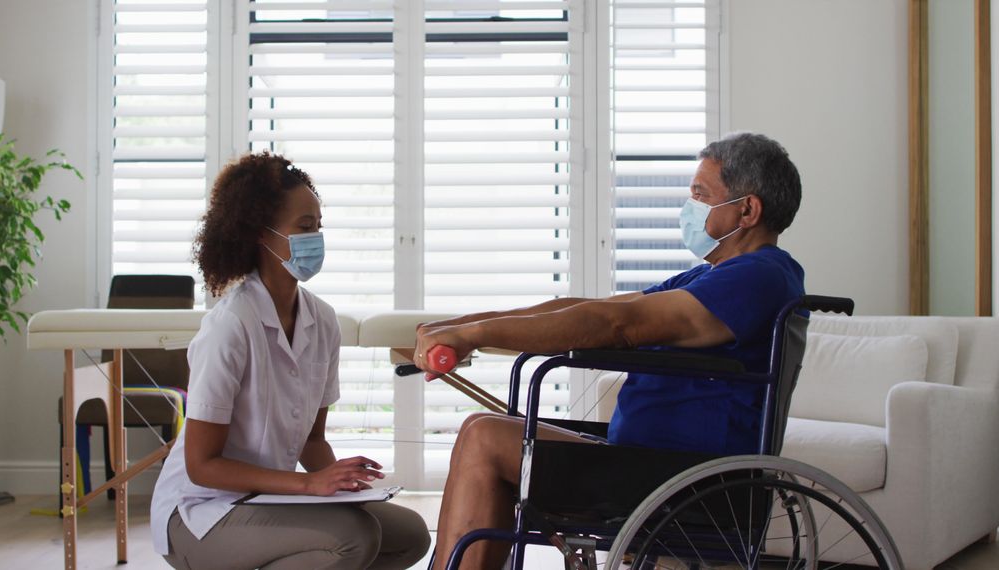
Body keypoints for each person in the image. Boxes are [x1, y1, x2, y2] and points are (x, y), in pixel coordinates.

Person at [411, 132, 806, 569]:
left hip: (682, 479)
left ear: (747, 210)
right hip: (649, 465)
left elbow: (619, 324)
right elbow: (593, 308)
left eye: (700, 194)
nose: (689, 206)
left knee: (486, 438)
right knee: (483, 429)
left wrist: (477, 334)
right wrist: (462, 327)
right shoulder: (710, 276)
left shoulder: (758, 276)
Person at [150, 152, 430, 570]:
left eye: (318, 226)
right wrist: (308, 484)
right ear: (260, 235)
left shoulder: (322, 320)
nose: (315, 237)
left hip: (268, 498)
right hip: (201, 513)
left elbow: (312, 442)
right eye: (303, 227)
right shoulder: (230, 325)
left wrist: (343, 484)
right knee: (352, 540)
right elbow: (202, 466)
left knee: (409, 534)